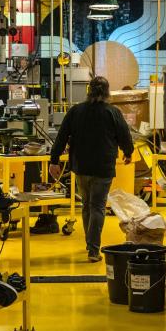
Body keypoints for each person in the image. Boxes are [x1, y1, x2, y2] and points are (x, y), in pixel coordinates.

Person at [49, 77, 134, 262]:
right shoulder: (113, 112)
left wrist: (54, 160)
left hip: (81, 167)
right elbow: (124, 135)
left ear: (89, 91)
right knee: (97, 207)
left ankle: (90, 244)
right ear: (107, 92)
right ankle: (93, 250)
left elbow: (61, 136)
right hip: (103, 168)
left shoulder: (76, 111)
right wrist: (128, 152)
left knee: (87, 205)